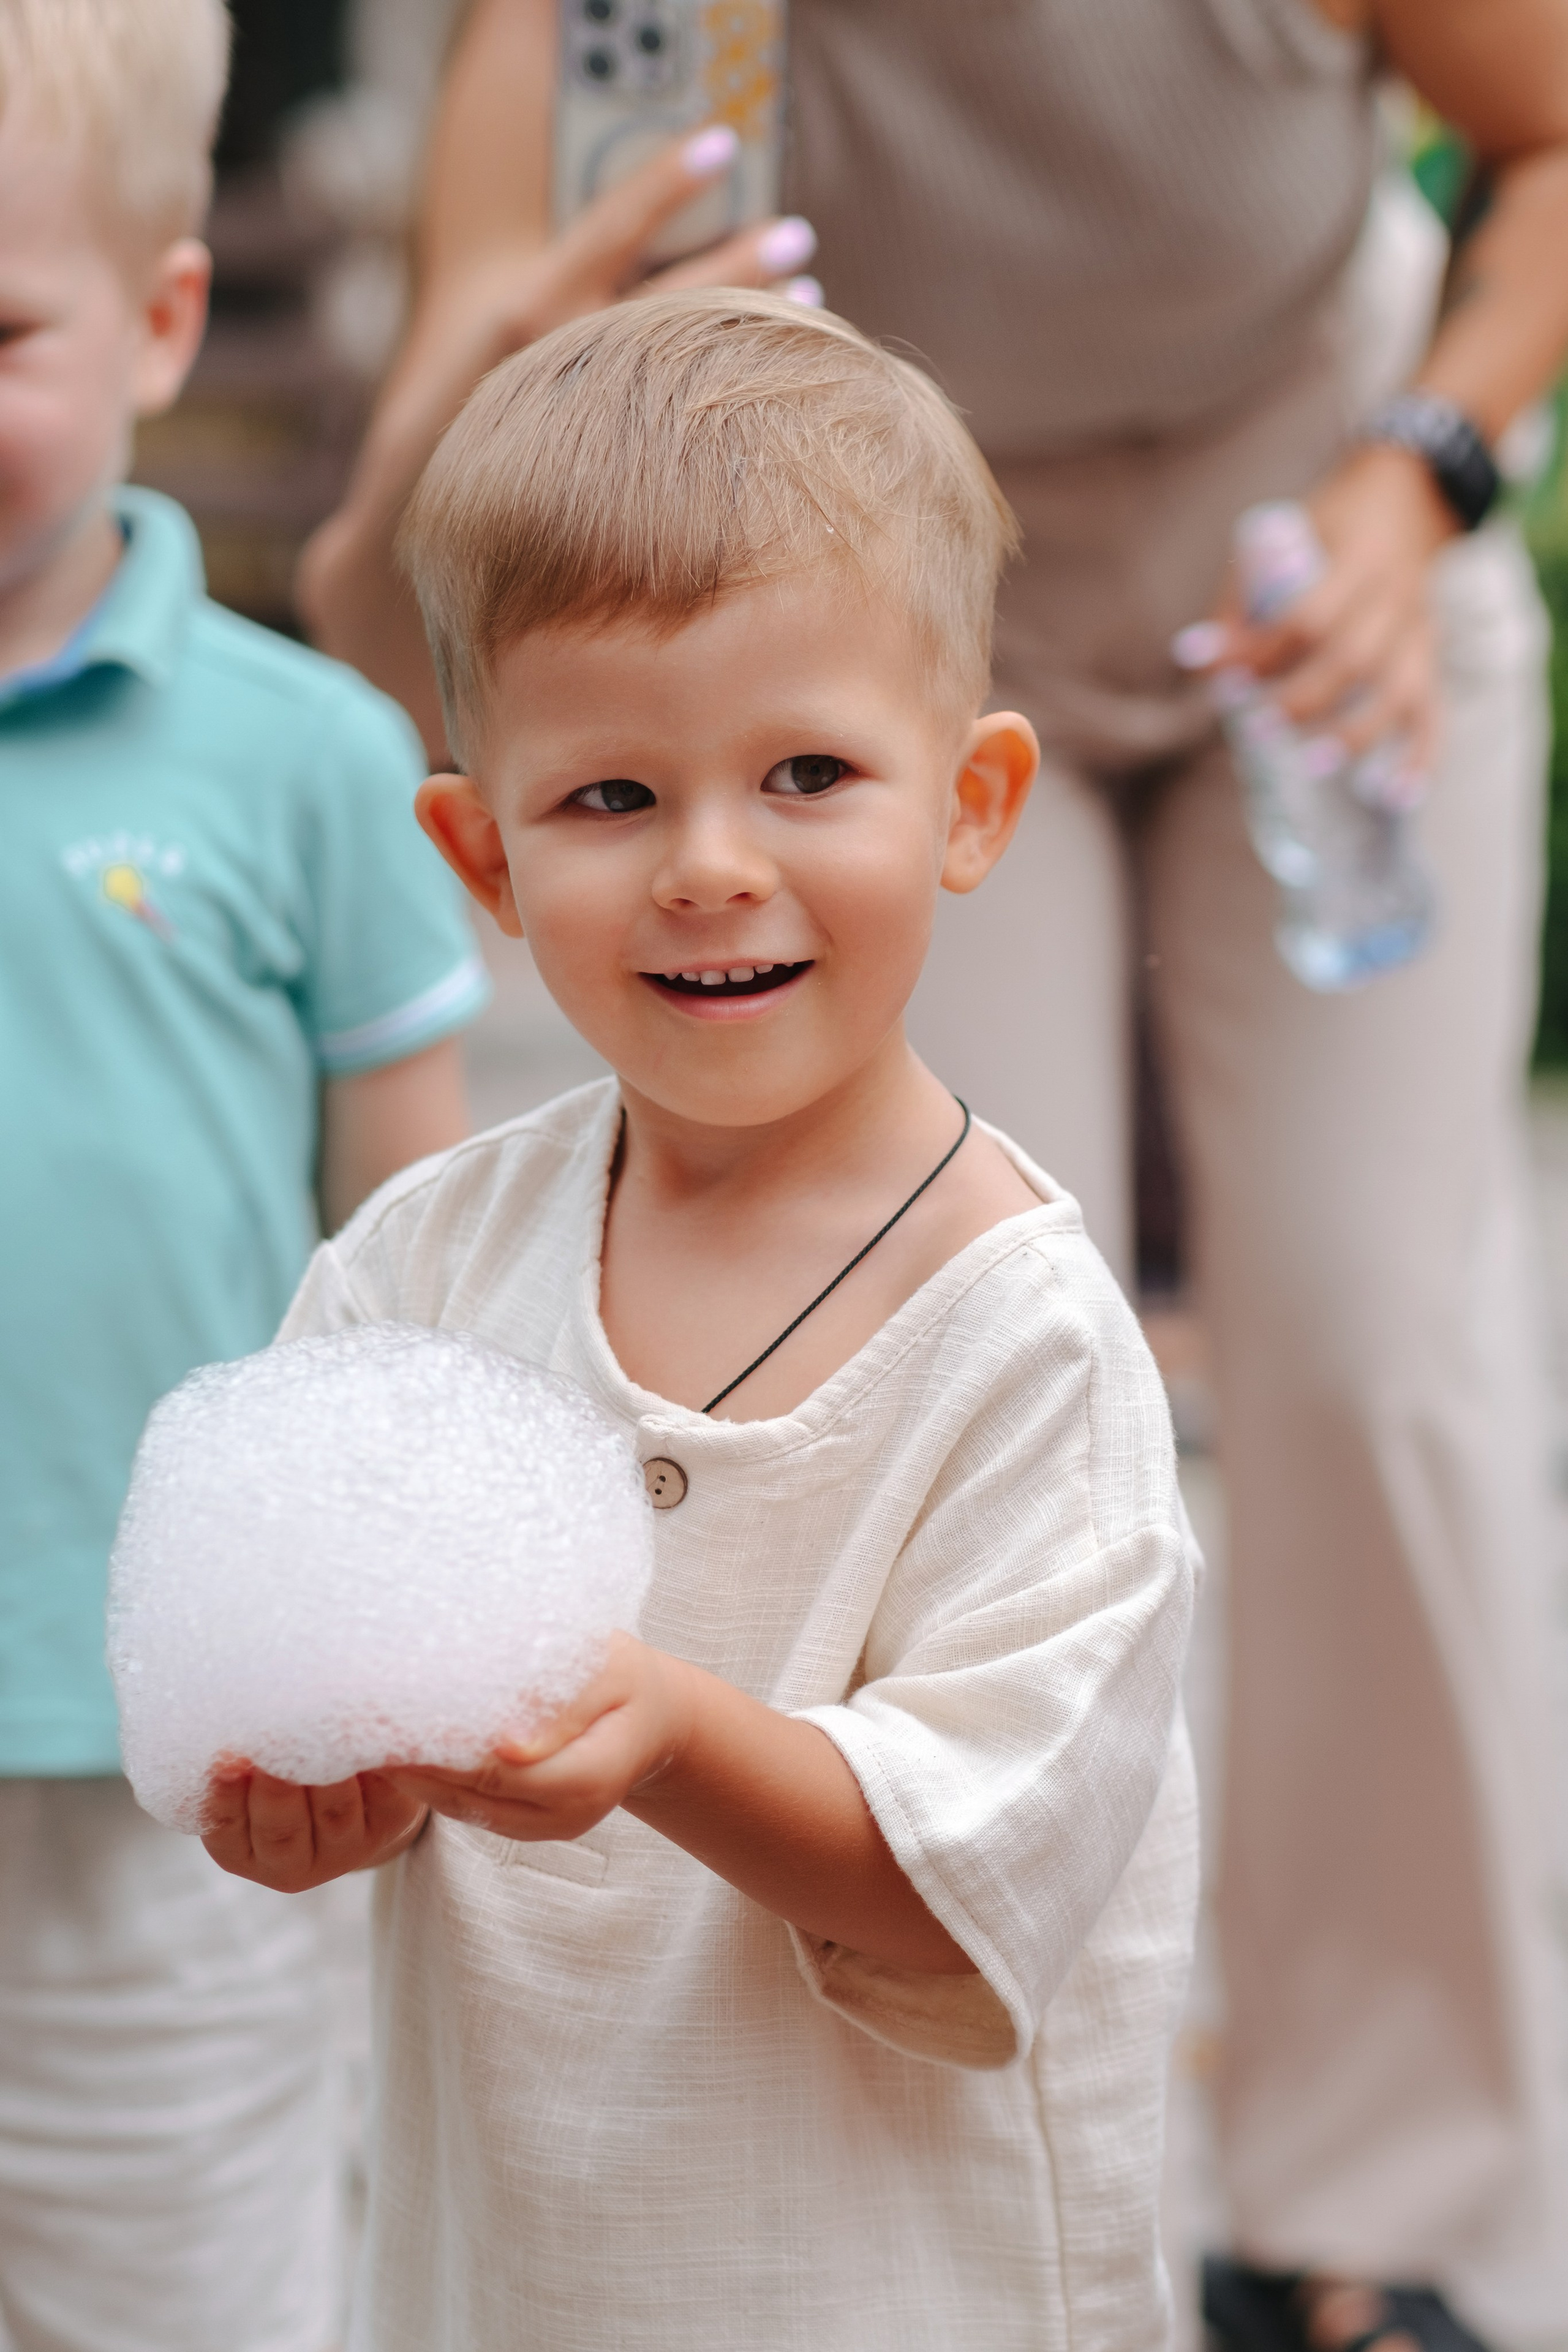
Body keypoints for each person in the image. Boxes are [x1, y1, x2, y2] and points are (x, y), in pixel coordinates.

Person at [303, 4, 1568, 2344]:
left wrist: (1418, 477)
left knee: (1380, 1346)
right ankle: (832, 2084)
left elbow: (1553, 139)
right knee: (907, 1316)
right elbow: (415, 606)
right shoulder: (626, 24)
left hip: (1319, 552)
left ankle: (1364, 2219)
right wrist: (478, 373)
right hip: (809, 677)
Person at [205, 288, 1200, 2352]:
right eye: (611, 800)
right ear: (481, 852)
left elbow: (969, 1874)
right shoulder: (421, 1269)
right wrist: (300, 1796)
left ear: (976, 803)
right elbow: (288, 1700)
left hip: (901, 2281)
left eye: (810, 772)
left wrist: (667, 1733)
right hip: (531, 2269)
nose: (711, 868)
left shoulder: (1023, 1344)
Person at [0, 3, 491, 2343]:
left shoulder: (306, 760)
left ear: (161, 316)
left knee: (171, 2280)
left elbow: (419, 1282)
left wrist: (381, 1646)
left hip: (161, 1743)